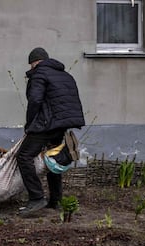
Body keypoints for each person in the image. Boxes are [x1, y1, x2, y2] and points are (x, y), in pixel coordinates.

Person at [16, 47, 85, 216]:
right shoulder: (65, 75)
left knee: (23, 156)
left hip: (45, 124)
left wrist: (30, 124)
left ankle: (36, 197)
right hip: (61, 125)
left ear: (33, 63)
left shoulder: (39, 74)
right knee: (52, 158)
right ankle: (55, 200)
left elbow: (35, 100)